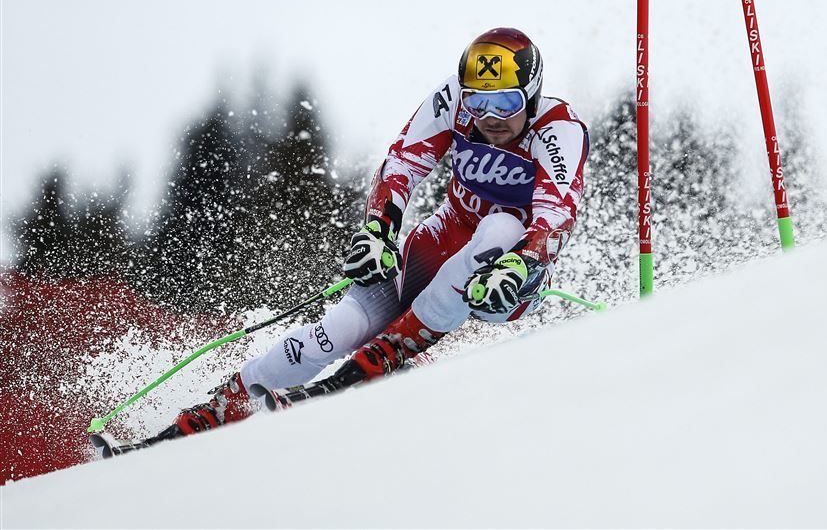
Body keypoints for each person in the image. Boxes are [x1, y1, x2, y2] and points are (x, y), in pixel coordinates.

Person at [173, 27, 589, 434]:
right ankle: (231, 399)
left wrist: (521, 261)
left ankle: (389, 353)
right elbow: (403, 163)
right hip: (446, 238)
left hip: (512, 278)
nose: (490, 118)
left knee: (501, 227)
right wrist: (378, 232)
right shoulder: (453, 101)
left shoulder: (558, 127)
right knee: (337, 330)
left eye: (504, 103)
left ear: (531, 94)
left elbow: (556, 212)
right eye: (478, 102)